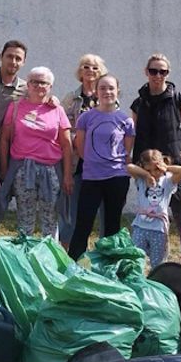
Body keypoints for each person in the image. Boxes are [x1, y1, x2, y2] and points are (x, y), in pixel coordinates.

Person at [129, 53, 181, 264]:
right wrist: (134, 166)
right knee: (147, 218)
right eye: (153, 71)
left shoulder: (179, 100)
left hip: (174, 170)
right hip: (145, 171)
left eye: (162, 71)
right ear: (146, 72)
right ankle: (143, 266)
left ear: (168, 73)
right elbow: (130, 136)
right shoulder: (138, 103)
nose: (158, 75)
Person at [0, 67, 73, 237]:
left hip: (50, 170)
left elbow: (66, 145)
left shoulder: (57, 109)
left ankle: (49, 257)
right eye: (34, 82)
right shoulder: (15, 107)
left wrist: (67, 175)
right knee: (25, 218)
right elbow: (4, 139)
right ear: (28, 84)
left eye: (43, 82)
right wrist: (4, 168)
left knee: (50, 219)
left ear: (50, 86)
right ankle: (25, 257)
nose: (39, 86)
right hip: (23, 169)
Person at [69, 74, 135, 260]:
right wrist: (94, 162)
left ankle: (108, 264)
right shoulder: (86, 118)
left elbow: (127, 151)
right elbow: (80, 148)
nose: (107, 92)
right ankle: (75, 263)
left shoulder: (126, 120)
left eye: (111, 88)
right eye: (103, 88)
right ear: (96, 91)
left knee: (112, 225)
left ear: (118, 91)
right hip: (92, 178)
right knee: (84, 224)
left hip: (117, 178)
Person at [58, 53, 108, 246]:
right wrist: (79, 138)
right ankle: (68, 254)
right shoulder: (71, 98)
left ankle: (104, 253)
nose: (90, 71)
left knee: (103, 212)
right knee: (72, 211)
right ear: (80, 71)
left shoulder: (107, 97)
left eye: (95, 67)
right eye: (86, 66)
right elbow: (62, 128)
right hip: (76, 163)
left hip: (101, 164)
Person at [126, 149, 181, 268]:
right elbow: (129, 167)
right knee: (136, 259)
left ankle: (156, 282)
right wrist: (146, 175)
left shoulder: (168, 181)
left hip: (158, 229)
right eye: (149, 170)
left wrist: (166, 168)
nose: (153, 173)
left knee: (158, 262)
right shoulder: (142, 180)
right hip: (140, 226)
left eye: (156, 169)